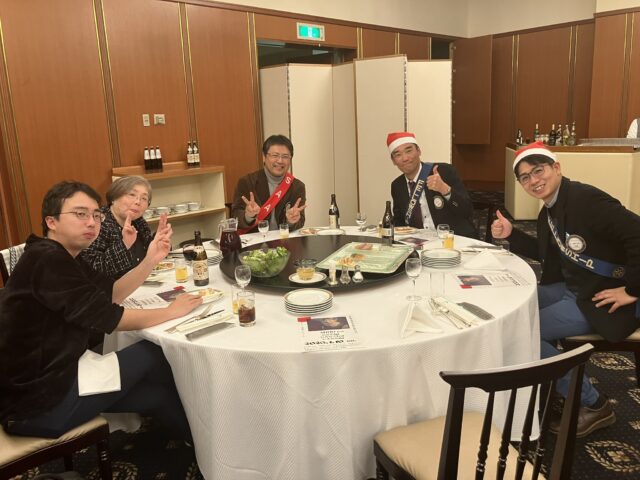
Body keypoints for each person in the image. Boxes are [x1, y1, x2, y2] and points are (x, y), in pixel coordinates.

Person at [0, 181, 203, 440]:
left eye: (96, 215)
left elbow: (111, 293)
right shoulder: (47, 259)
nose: (92, 223)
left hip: (58, 376)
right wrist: (172, 311)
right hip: (36, 401)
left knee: (158, 395)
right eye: (80, 214)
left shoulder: (66, 255)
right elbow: (111, 318)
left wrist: (151, 259)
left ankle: (200, 446)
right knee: (158, 352)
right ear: (51, 221)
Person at [491, 141, 640, 437]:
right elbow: (551, 254)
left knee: (521, 333)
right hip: (576, 287)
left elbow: (637, 233)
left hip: (600, 297)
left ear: (556, 168)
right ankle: (550, 379)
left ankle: (593, 404)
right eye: (525, 177)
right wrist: (512, 235)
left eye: (538, 171)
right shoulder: (551, 208)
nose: (534, 181)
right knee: (516, 304)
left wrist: (633, 290)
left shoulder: (586, 199)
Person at [388, 132, 477, 238]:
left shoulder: (443, 171)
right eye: (398, 154)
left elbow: (467, 210)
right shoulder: (397, 185)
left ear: (419, 151)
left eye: (409, 151)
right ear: (393, 161)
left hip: (454, 239)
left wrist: (445, 190)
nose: (405, 158)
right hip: (419, 241)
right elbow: (399, 222)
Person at [80, 176, 153, 279]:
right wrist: (124, 244)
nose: (138, 202)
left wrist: (159, 242)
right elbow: (93, 268)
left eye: (144, 198)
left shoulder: (139, 222)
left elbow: (150, 255)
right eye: (132, 195)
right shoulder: (98, 223)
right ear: (114, 198)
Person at [232, 134, 307, 234]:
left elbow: (300, 221)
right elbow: (235, 217)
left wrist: (291, 221)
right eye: (275, 155)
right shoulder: (247, 182)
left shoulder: (297, 186)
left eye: (285, 157)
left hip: (284, 239)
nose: (280, 161)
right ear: (264, 157)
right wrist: (248, 216)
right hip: (255, 240)